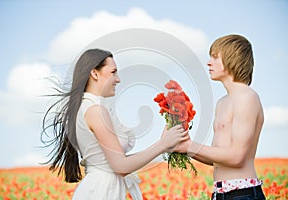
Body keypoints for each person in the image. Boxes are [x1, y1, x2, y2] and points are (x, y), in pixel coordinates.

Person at [41, 48, 188, 200]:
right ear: (95, 73)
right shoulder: (95, 110)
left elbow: (116, 161)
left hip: (100, 188)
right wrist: (162, 145)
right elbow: (121, 166)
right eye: (113, 72)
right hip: (102, 191)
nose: (118, 79)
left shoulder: (88, 107)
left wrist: (164, 145)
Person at [176, 34, 266, 199]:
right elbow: (217, 159)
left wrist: (190, 146)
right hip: (221, 194)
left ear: (233, 59)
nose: (209, 62)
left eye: (215, 57)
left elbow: (237, 156)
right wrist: (182, 146)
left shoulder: (246, 97)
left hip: (242, 194)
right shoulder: (222, 103)